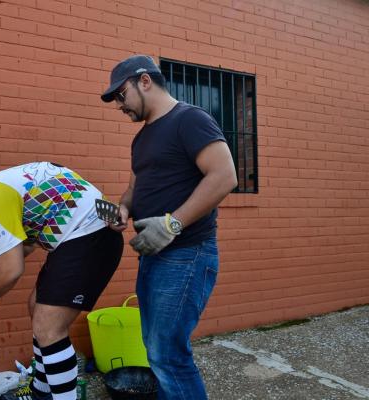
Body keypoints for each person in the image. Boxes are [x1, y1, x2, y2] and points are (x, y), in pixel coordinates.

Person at [101, 55, 238, 399]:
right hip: (153, 255)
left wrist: (172, 224)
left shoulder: (190, 119)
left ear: (145, 81)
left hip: (187, 254)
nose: (119, 105)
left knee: (168, 356)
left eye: (121, 94)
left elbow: (224, 176)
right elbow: (134, 188)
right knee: (155, 350)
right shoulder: (141, 139)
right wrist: (123, 208)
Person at [0, 159, 123, 400]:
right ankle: (40, 392)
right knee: (35, 307)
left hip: (90, 237)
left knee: (48, 327)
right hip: (79, 237)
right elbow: (27, 245)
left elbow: (11, 270)